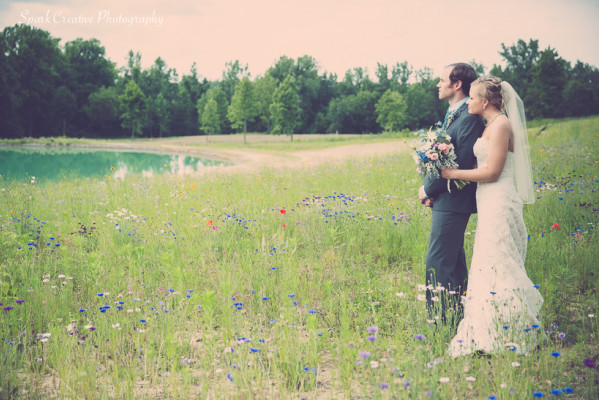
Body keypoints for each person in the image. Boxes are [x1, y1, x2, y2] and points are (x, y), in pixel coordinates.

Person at [441, 76, 543, 357]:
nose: (469, 102)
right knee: (488, 260)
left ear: (485, 101)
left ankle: (510, 328)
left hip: (499, 199)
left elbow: (492, 172)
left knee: (500, 259)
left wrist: (453, 174)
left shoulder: (501, 126)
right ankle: (491, 326)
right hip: (486, 200)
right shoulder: (490, 125)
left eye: (472, 98)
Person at [418, 63, 485, 322]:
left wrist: (426, 189)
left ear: (457, 84)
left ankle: (439, 319)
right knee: (453, 262)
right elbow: (439, 159)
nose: (438, 84)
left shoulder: (468, 118)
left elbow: (458, 163)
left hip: (455, 200)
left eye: (442, 79)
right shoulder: (453, 113)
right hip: (445, 198)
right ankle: (457, 315)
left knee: (438, 261)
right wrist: (429, 189)